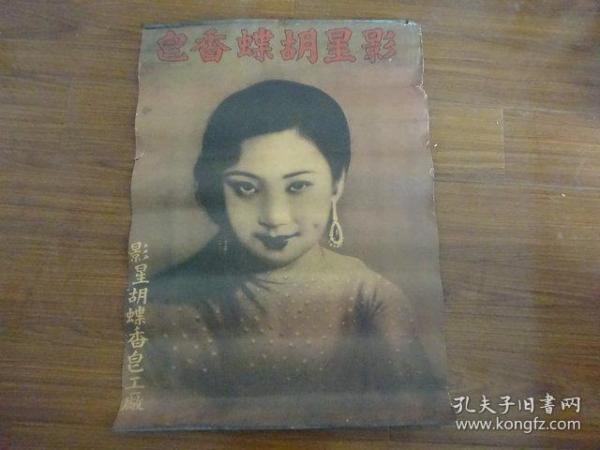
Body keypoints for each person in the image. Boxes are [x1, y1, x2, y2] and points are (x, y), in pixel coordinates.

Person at [138, 80, 446, 428]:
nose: (275, 217)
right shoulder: (167, 299)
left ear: (337, 183)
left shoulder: (370, 297)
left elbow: (416, 413)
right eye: (246, 188)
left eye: (298, 186)